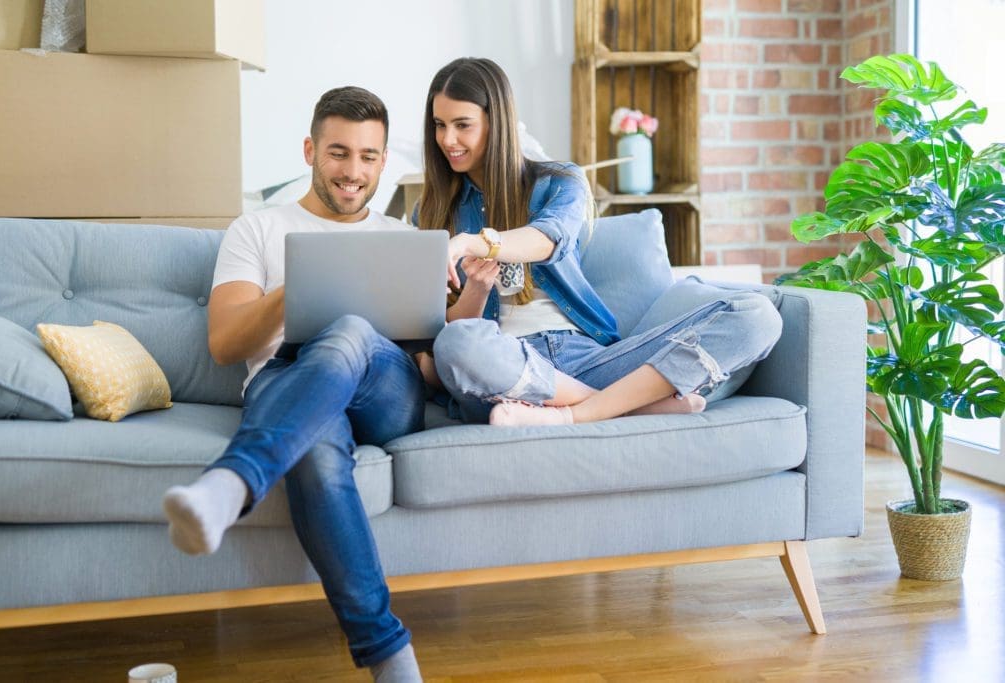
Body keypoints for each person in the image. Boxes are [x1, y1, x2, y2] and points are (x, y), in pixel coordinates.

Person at [162, 87, 424, 683]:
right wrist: (299, 286)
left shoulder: (402, 238)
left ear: (383, 162)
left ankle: (232, 482)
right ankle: (392, 662)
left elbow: (426, 358)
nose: (353, 172)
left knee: (351, 329)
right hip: (289, 379)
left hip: (384, 387)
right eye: (338, 152)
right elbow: (227, 344)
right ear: (310, 149)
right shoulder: (256, 229)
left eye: (368, 156)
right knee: (317, 458)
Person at [415, 57, 782, 425]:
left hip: (587, 361)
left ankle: (570, 415)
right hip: (503, 367)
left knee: (757, 315)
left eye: (463, 125)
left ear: (497, 123)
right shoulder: (430, 213)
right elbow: (444, 330)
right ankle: (628, 405)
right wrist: (476, 291)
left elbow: (548, 240)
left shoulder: (560, 182)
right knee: (455, 344)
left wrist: (474, 242)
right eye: (439, 125)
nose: (448, 140)